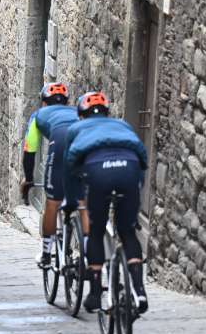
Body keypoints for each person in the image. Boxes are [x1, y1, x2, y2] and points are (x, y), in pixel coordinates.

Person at [63, 91, 148, 313]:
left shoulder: (76, 128)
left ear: (81, 115)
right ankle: (139, 292)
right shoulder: (122, 125)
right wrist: (136, 194)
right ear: (107, 113)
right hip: (130, 167)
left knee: (96, 230)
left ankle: (94, 293)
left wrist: (71, 201)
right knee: (128, 231)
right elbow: (142, 160)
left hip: (98, 170)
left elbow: (70, 166)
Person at [21, 82, 87, 267]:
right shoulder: (76, 112)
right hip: (83, 146)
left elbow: (29, 151)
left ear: (43, 102)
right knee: (83, 202)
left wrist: (28, 180)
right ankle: (87, 252)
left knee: (52, 203)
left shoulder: (38, 116)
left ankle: (45, 254)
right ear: (66, 102)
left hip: (58, 147)